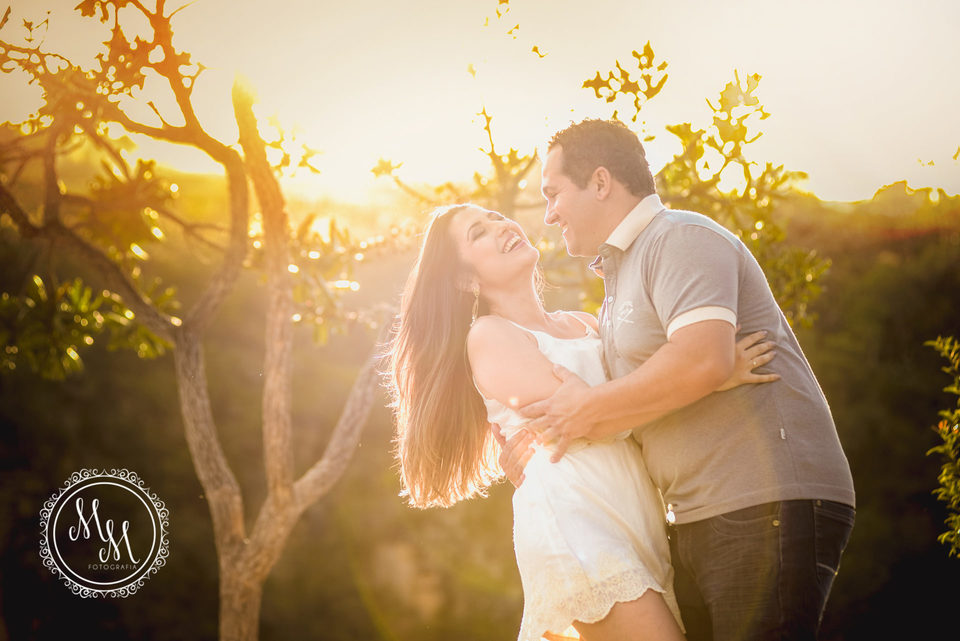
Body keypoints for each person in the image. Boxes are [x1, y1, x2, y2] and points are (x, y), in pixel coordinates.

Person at [501, 118, 855, 641]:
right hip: (697, 514)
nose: (549, 214)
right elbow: (671, 383)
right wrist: (538, 450)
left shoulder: (680, 237)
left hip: (763, 498)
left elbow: (699, 359)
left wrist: (588, 408)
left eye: (553, 194)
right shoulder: (620, 274)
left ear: (600, 183)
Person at [386, 202, 778, 641]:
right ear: (465, 279)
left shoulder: (587, 323)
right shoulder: (490, 337)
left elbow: (618, 404)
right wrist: (708, 373)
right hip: (575, 520)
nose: (501, 227)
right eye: (478, 232)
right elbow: (597, 419)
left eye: (496, 217)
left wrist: (688, 369)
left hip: (637, 515)